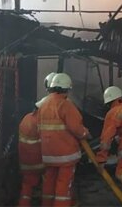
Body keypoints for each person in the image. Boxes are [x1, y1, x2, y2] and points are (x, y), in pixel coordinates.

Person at [38, 73, 90, 206]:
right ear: (67, 89)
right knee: (63, 187)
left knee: (49, 184)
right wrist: (85, 133)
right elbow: (76, 127)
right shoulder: (65, 105)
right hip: (65, 155)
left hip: (48, 155)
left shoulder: (43, 104)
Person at [18, 100, 45, 206]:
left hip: (25, 162)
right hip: (39, 163)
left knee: (27, 187)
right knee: (50, 180)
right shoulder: (41, 121)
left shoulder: (26, 118)